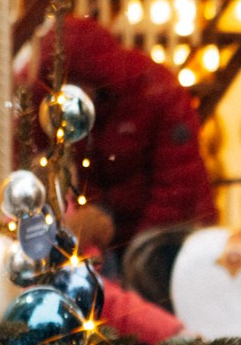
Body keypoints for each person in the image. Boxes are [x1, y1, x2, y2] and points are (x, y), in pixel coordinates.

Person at [31, 18, 217, 251]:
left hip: (175, 231)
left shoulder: (157, 93)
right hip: (107, 227)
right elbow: (30, 150)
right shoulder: (55, 99)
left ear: (97, 79)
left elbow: (176, 188)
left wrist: (140, 250)